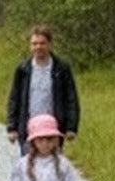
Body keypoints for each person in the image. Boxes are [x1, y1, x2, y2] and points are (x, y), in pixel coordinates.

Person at [6, 25, 80, 154]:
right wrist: (12, 127)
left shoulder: (61, 68)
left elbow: (71, 98)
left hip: (53, 129)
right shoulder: (23, 69)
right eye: (34, 44)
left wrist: (71, 127)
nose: (38, 47)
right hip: (29, 129)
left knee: (53, 169)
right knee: (30, 169)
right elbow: (14, 98)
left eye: (42, 43)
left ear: (49, 44)